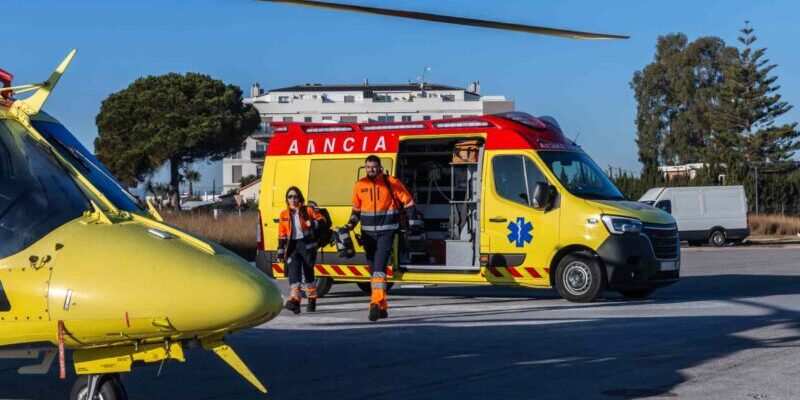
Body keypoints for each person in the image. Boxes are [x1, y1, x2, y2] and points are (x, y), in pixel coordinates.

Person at [346, 155, 416, 321]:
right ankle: (383, 307)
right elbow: (356, 210)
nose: (371, 169)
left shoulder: (391, 182)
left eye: (374, 167)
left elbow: (408, 202)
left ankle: (375, 304)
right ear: (365, 168)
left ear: (380, 167)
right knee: (374, 270)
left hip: (387, 233)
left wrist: (412, 225)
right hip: (367, 234)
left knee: (378, 266)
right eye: (368, 167)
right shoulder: (359, 185)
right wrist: (350, 225)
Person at [276, 186, 326, 314]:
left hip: (307, 247)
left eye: (295, 196)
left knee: (309, 274)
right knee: (294, 274)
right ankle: (295, 301)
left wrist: (313, 224)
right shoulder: (284, 214)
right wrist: (280, 250)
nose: (292, 199)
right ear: (287, 199)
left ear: (300, 198)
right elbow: (282, 233)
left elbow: (322, 220)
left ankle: (312, 300)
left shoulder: (307, 210)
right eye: (290, 197)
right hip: (292, 247)